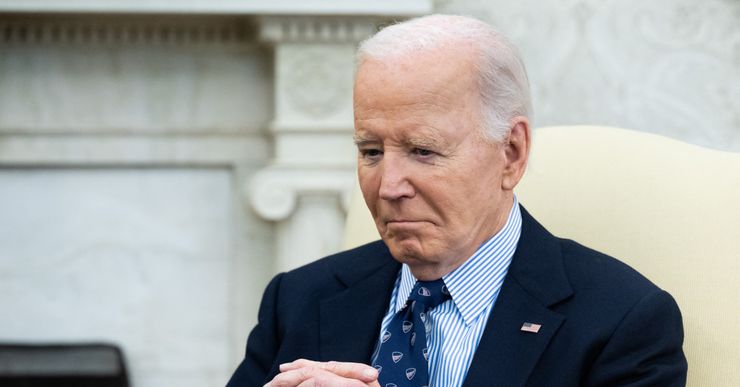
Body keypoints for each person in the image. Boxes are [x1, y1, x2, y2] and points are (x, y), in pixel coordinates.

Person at [227, 14, 687, 387]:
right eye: (371, 151)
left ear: (511, 153)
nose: (388, 187)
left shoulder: (622, 322)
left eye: (423, 151)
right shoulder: (300, 299)